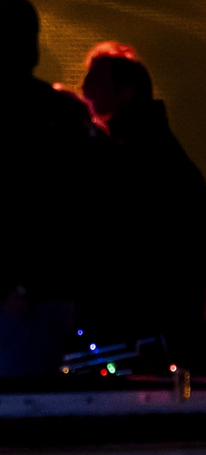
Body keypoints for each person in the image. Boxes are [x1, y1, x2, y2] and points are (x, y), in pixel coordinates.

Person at [0, 0, 98, 378]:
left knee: (9, 415)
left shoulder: (41, 119)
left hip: (15, 306)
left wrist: (26, 287)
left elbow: (64, 209)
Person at [82, 42, 206, 369]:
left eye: (95, 81)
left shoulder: (141, 153)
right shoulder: (150, 145)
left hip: (150, 320)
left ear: (125, 94)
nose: (84, 89)